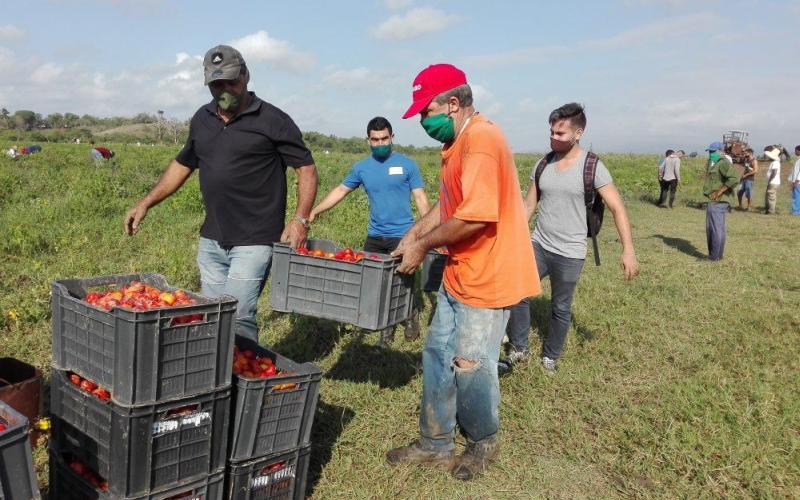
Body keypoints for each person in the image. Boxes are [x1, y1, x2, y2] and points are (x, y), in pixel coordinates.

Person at [385, 63, 540, 480]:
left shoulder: (483, 140)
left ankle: (482, 442)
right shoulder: (456, 143)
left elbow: (474, 217)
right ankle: (435, 443)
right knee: (437, 354)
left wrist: (423, 245)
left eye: (426, 110)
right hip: (460, 269)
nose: (422, 120)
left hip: (489, 274)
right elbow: (448, 205)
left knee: (471, 364)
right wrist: (413, 234)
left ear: (454, 104)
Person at [124, 44, 318, 343]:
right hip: (212, 238)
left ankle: (244, 383)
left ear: (246, 75)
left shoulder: (272, 120)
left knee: (238, 316)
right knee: (209, 316)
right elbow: (183, 163)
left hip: (255, 239)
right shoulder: (202, 118)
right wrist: (146, 202)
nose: (224, 89)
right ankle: (217, 382)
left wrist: (300, 220)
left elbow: (306, 169)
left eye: (231, 81)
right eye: (216, 83)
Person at [506, 103, 639, 373]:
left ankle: (550, 356)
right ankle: (520, 347)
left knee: (560, 305)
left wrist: (628, 250)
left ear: (578, 133)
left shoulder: (593, 167)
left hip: (570, 252)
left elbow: (617, 207)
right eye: (551, 132)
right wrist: (510, 238)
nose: (554, 138)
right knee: (517, 292)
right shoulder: (543, 164)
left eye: (561, 134)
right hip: (539, 244)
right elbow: (528, 206)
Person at [309, 116, 431, 345]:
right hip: (375, 235)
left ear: (392, 137)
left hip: (403, 235)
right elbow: (340, 190)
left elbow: (421, 199)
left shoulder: (407, 165)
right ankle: (380, 326)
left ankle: (408, 317)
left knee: (403, 280)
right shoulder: (361, 168)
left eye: (384, 138)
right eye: (375, 139)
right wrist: (316, 210)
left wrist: (430, 230)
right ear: (368, 140)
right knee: (373, 283)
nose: (380, 143)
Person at [703, 141, 740, 261]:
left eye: (713, 151)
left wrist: (719, 191)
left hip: (718, 200)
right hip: (717, 200)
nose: (711, 153)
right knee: (719, 229)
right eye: (710, 151)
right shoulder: (714, 162)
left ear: (721, 151)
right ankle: (718, 256)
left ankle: (713, 257)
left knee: (714, 229)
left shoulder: (723, 162)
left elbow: (734, 178)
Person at [763, 146, 781, 214]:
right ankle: (769, 209)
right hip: (774, 182)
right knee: (770, 196)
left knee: (771, 196)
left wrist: (770, 180)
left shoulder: (775, 163)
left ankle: (771, 211)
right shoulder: (775, 162)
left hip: (773, 182)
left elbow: (774, 172)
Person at [791, 145, 800, 215]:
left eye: (796, 150)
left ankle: (796, 211)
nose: (795, 152)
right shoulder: (798, 159)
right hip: (796, 181)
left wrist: (796, 181)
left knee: (796, 196)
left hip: (798, 182)